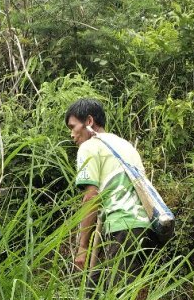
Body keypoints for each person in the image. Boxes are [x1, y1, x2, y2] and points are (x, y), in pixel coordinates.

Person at [65, 98, 152, 281]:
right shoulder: (124, 145)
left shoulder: (89, 147)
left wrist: (82, 246)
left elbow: (91, 197)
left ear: (89, 122)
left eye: (73, 127)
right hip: (144, 226)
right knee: (103, 288)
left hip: (122, 224)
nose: (72, 135)